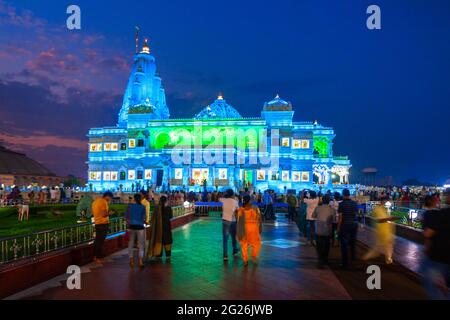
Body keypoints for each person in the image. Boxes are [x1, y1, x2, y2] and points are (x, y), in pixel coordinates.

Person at [420, 189, 450, 300]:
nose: (444, 197)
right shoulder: (438, 213)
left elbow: (428, 234)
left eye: (446, 195)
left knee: (432, 287)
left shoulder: (442, 214)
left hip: (439, 257)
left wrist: (427, 247)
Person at [362, 197, 399, 264]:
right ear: (382, 201)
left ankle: (369, 257)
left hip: (386, 230)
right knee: (386, 245)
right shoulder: (377, 208)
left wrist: (390, 219)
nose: (388, 203)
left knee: (381, 245)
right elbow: (379, 220)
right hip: (382, 230)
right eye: (386, 201)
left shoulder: (384, 209)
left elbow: (385, 218)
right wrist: (391, 218)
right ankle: (388, 260)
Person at [236, 194, 263, 267]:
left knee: (244, 244)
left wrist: (238, 231)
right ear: (250, 200)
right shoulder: (255, 208)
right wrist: (260, 226)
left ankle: (245, 260)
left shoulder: (241, 209)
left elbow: (239, 221)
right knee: (256, 243)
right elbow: (260, 218)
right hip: (254, 228)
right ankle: (254, 256)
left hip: (244, 228)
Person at [147, 195, 173, 260]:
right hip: (166, 227)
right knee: (167, 241)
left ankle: (158, 254)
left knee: (159, 240)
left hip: (158, 228)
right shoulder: (169, 208)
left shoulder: (157, 208)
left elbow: (153, 218)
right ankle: (168, 255)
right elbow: (171, 216)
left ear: (160, 201)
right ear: (166, 201)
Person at [337, 188, 358, 268]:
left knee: (344, 244)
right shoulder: (354, 203)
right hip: (354, 224)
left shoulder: (341, 204)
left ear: (343, 194)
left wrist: (338, 227)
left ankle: (345, 262)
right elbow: (356, 214)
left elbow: (340, 217)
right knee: (353, 242)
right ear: (349, 194)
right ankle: (353, 259)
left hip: (345, 225)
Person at [312, 195, 335, 267]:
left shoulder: (318, 208)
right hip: (327, 230)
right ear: (329, 201)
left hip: (318, 230)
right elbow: (334, 220)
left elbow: (313, 216)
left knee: (319, 246)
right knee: (326, 246)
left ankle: (320, 260)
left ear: (322, 201)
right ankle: (325, 260)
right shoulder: (332, 209)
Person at [92, 191, 114, 263]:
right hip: (103, 224)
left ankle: (95, 256)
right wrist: (110, 213)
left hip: (97, 223)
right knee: (100, 241)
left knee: (97, 241)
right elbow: (104, 214)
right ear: (108, 196)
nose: (110, 200)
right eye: (110, 198)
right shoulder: (104, 202)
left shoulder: (95, 201)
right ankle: (98, 257)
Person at [126, 193, 146, 268]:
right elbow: (143, 217)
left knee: (131, 243)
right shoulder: (143, 207)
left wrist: (129, 224)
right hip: (140, 226)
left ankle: (131, 260)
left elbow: (126, 217)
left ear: (134, 199)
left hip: (132, 226)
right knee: (141, 244)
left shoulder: (130, 206)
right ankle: (140, 261)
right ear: (140, 199)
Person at [219, 189, 240, 261]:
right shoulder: (235, 202)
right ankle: (234, 251)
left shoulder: (224, 200)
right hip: (233, 221)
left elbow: (218, 198)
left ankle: (225, 255)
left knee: (225, 239)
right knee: (233, 238)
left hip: (225, 221)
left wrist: (224, 194)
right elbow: (237, 212)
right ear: (233, 194)